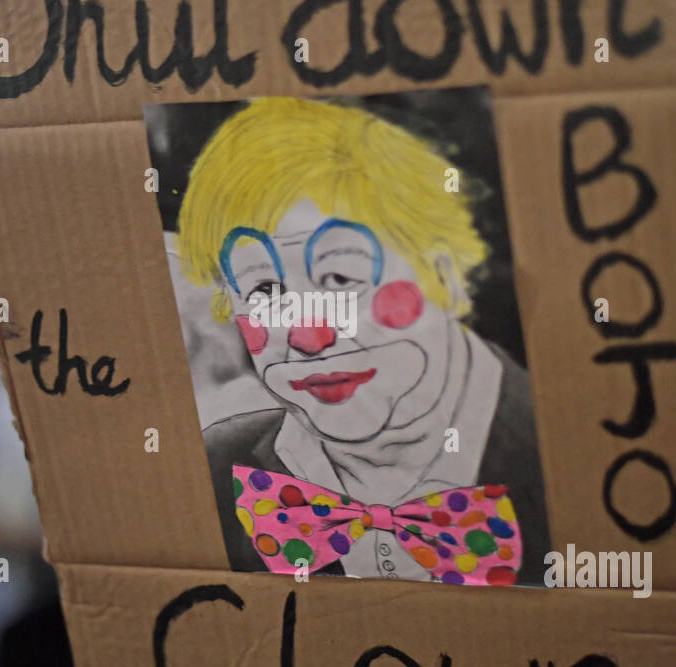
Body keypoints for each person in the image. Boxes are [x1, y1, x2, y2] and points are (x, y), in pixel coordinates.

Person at [175, 97, 549, 585]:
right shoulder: (214, 475)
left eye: (339, 278)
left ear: (446, 277)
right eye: (264, 290)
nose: (309, 336)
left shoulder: (568, 450)